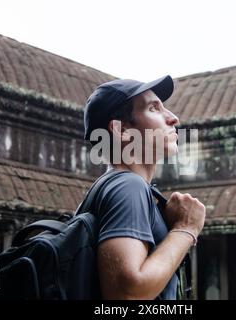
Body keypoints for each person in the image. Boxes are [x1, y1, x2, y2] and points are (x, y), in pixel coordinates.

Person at [83, 75, 206, 300]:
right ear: (120, 129)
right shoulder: (127, 186)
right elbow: (126, 294)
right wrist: (185, 229)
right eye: (154, 108)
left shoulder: (115, 186)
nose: (173, 118)